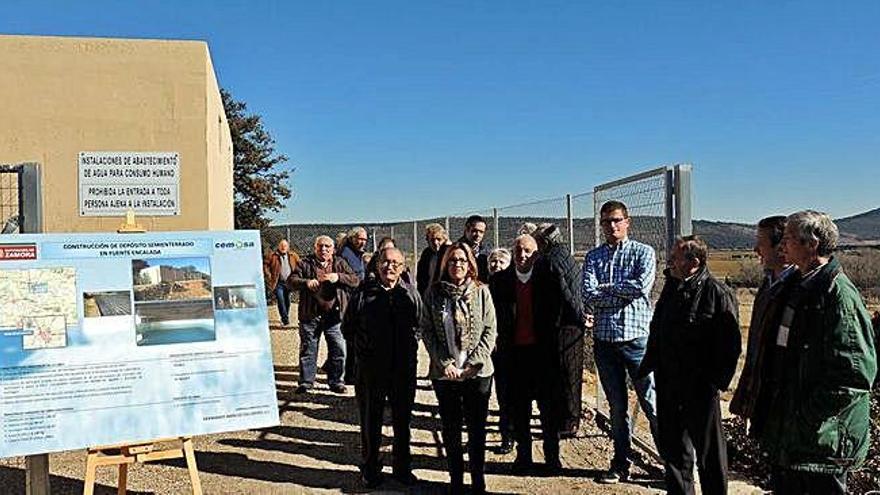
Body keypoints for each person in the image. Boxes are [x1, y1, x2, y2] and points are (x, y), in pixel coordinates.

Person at [760, 210, 876, 495]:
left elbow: (855, 375)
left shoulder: (839, 297)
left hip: (822, 442)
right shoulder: (794, 286)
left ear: (811, 244)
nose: (782, 245)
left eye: (788, 239)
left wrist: (804, 415)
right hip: (792, 438)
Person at [639, 235, 741, 495]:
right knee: (674, 453)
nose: (670, 261)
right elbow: (658, 328)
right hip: (668, 383)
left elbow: (730, 346)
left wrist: (714, 383)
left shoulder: (716, 294)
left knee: (710, 456)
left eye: (675, 257)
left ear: (693, 262)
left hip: (701, 389)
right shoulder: (672, 288)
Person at [581, 200, 659, 484]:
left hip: (637, 340)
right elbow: (588, 294)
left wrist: (606, 290)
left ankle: (672, 465)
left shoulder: (643, 252)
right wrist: (618, 292)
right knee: (617, 407)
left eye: (616, 220)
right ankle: (620, 462)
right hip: (604, 341)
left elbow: (640, 287)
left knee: (651, 402)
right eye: (606, 222)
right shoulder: (593, 257)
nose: (611, 226)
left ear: (627, 222)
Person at [342, 247, 422, 489]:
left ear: (403, 267)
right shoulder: (363, 294)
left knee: (402, 421)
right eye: (386, 262)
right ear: (377, 265)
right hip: (371, 370)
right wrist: (365, 349)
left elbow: (420, 325)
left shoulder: (410, 293)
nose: (390, 267)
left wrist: (410, 346)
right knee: (370, 421)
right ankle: (370, 469)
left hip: (403, 369)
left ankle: (402, 468)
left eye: (396, 263)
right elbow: (348, 328)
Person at [421, 242, 497, 494]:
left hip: (478, 373)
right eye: (453, 260)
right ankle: (456, 480)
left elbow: (490, 330)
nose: (458, 265)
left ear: (471, 264)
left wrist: (474, 363)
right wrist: (445, 364)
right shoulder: (433, 294)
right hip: (446, 375)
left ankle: (478, 480)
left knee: (477, 430)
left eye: (463, 260)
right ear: (445, 264)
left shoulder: (481, 292)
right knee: (451, 429)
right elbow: (428, 331)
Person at [490, 234, 562, 473]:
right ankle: (524, 457)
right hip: (513, 356)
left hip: (543, 355)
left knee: (548, 410)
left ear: (536, 254)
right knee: (519, 409)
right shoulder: (499, 282)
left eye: (528, 251)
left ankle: (552, 458)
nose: (522, 255)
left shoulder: (549, 280)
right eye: (518, 250)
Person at [730, 216, 797, 436]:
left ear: (782, 248)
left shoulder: (800, 289)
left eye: (761, 242)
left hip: (786, 400)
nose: (755, 249)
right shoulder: (769, 283)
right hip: (764, 392)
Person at [534, 223, 586, 438]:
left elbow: (565, 292)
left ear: (544, 242)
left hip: (562, 325)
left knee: (564, 374)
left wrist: (579, 317)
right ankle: (569, 419)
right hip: (571, 323)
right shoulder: (565, 255)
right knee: (569, 373)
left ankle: (567, 422)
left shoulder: (549, 260)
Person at [289, 235, 359, 394]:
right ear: (315, 248)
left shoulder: (340, 263)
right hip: (310, 314)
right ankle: (306, 382)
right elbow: (290, 281)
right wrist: (305, 282)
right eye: (320, 246)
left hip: (334, 316)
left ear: (333, 249)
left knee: (338, 348)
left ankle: (336, 381)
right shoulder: (304, 264)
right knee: (308, 349)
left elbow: (355, 280)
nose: (324, 249)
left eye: (328, 246)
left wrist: (338, 277)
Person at [338, 226, 369, 384]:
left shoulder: (357, 254)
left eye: (365, 239)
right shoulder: (345, 254)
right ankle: (350, 374)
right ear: (352, 239)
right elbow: (351, 278)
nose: (363, 241)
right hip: (350, 300)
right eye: (360, 238)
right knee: (352, 338)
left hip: (358, 298)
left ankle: (351, 372)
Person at [263, 239, 300, 327]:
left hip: (289, 282)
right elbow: (265, 265)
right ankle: (285, 319)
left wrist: (298, 275)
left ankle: (285, 316)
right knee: (280, 299)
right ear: (279, 247)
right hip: (278, 282)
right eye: (281, 246)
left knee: (287, 300)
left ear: (288, 247)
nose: (283, 247)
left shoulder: (293, 255)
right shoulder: (273, 256)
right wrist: (269, 275)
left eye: (285, 246)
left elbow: (300, 264)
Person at [417, 223, 450, 296]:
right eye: (432, 240)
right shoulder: (426, 254)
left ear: (444, 239)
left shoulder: (449, 253)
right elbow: (420, 277)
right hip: (427, 294)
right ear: (427, 240)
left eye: (439, 239)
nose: (435, 243)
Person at [457, 215, 490, 282]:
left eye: (481, 232)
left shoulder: (486, 252)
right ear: (466, 230)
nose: (478, 235)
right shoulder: (455, 251)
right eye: (475, 231)